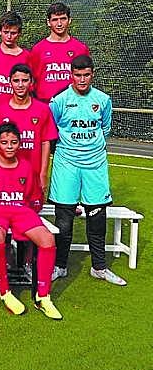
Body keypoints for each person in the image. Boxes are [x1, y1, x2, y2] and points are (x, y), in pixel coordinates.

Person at [49, 55, 125, 286]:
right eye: (78, 75)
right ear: (71, 75)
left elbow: (105, 128)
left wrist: (91, 148)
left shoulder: (103, 100)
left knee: (97, 218)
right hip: (66, 164)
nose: (82, 80)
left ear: (93, 74)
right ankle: (60, 266)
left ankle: (99, 267)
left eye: (86, 75)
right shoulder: (59, 101)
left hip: (95, 164)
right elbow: (52, 130)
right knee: (64, 221)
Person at [0, 123, 63, 320]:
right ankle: (5, 292)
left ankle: (43, 296)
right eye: (4, 142)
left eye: (13, 142)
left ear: (19, 143)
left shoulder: (25, 166)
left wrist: (30, 215)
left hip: (20, 211)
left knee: (48, 239)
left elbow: (32, 197)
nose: (9, 146)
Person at [0, 64, 58, 279]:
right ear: (10, 83)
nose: (20, 85)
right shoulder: (0, 111)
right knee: (1, 216)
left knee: (30, 218)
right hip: (4, 178)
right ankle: (4, 258)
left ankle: (27, 261)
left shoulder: (42, 110)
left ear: (31, 83)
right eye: (16, 80)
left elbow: (45, 142)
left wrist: (43, 173)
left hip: (30, 177)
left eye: (25, 80)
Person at [30, 2, 90, 103]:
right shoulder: (38, 49)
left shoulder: (80, 48)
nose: (59, 24)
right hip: (45, 104)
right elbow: (31, 80)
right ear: (48, 22)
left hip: (73, 104)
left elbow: (86, 78)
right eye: (55, 20)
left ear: (69, 20)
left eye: (63, 19)